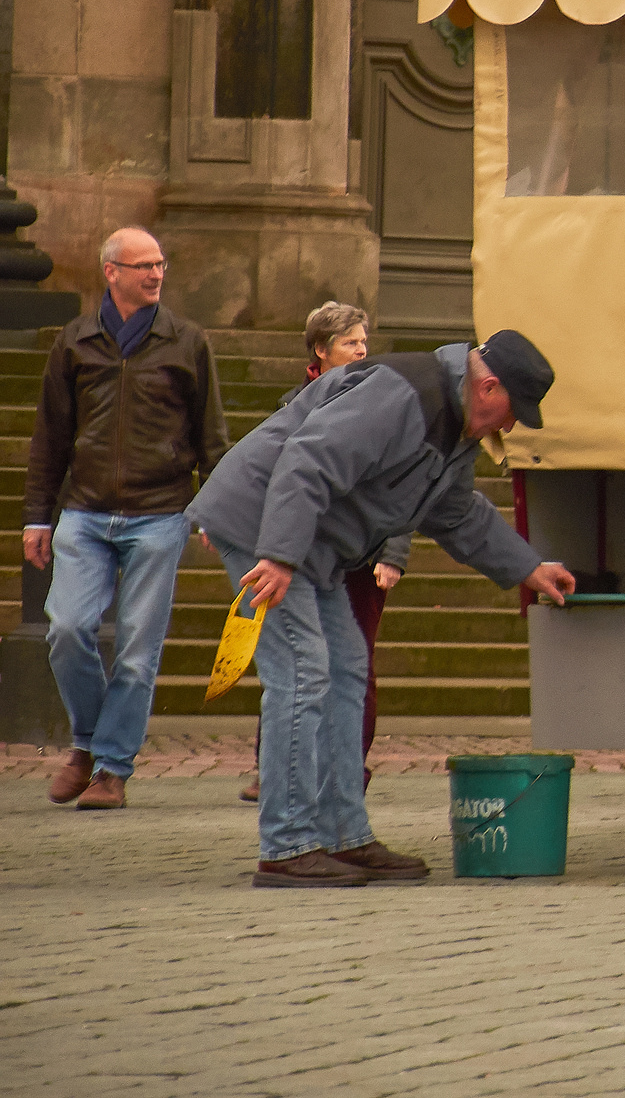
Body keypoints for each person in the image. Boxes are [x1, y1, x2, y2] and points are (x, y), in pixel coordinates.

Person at [187, 331, 577, 886]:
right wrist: (279, 553)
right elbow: (307, 460)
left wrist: (528, 568)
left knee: (347, 668)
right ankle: (287, 846)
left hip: (310, 543)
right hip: (263, 525)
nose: (511, 428)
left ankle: (344, 836)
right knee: (303, 671)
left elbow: (456, 512)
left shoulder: (455, 426)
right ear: (489, 387)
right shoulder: (403, 394)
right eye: (515, 412)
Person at [24, 228, 229, 811]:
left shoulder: (187, 341)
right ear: (111, 272)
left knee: (138, 652)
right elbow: (50, 435)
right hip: (85, 512)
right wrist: (37, 517)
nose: (156, 274)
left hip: (160, 514)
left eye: (161, 263)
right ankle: (88, 743)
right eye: (143, 265)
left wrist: (217, 509)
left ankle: (111, 768)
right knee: (67, 630)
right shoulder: (75, 341)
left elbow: (212, 435)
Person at [239, 303, 400, 804]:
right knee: (295, 662)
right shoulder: (293, 405)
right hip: (305, 553)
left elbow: (399, 482)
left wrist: (394, 551)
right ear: (320, 350)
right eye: (351, 342)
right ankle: (277, 767)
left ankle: (348, 767)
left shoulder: (381, 402)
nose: (362, 350)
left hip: (363, 554)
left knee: (354, 661)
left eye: (364, 341)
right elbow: (275, 476)